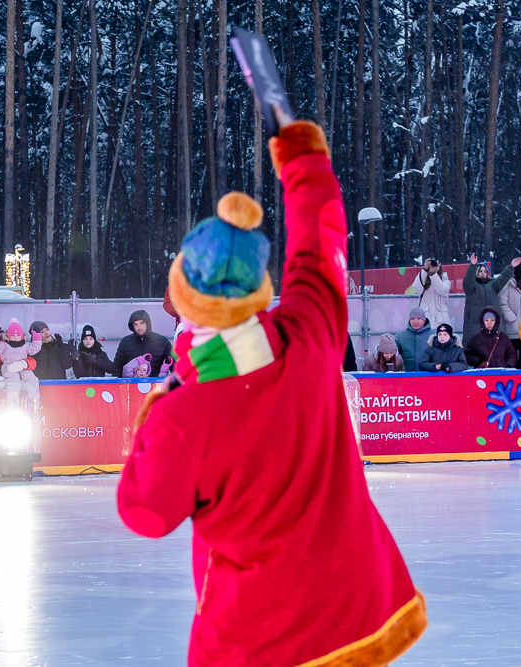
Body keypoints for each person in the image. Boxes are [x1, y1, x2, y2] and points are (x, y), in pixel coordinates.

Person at [117, 121, 425, 664]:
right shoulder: (308, 330)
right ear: (259, 286)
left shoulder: (181, 414)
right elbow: (318, 242)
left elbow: (146, 511)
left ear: (184, 296)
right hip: (353, 606)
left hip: (258, 635)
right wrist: (303, 161)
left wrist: (150, 416)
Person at [463, 253, 518, 340]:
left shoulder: (492, 285)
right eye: (480, 271)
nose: (483, 273)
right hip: (474, 326)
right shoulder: (471, 287)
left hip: (492, 326)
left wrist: (511, 267)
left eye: (484, 271)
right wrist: (473, 266)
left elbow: (502, 278)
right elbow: (468, 279)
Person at [113, 310, 172, 376]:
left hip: (156, 384)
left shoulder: (162, 341)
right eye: (135, 324)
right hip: (131, 385)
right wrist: (116, 385)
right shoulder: (125, 342)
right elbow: (117, 367)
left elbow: (175, 364)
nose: (139, 327)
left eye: (141, 323)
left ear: (147, 323)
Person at [0, 318, 43, 387]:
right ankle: (12, 396)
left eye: (18, 335)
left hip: (23, 367)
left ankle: (33, 394)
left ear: (22, 336)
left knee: (31, 379)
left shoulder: (25, 345)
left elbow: (35, 348)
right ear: (8, 336)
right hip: (9, 367)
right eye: (12, 335)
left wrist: (37, 337)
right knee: (13, 383)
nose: (15, 337)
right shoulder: (4, 345)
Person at [411, 258, 451, 326]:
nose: (433, 267)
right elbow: (416, 286)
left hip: (441, 321)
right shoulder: (423, 282)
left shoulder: (445, 281)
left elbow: (441, 289)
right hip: (426, 319)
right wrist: (425, 270)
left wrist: (433, 274)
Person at [395, 306, 432, 371]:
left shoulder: (434, 335)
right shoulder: (401, 336)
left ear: (424, 319)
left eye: (419, 318)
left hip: (430, 376)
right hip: (407, 377)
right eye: (412, 318)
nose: (415, 321)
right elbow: (391, 354)